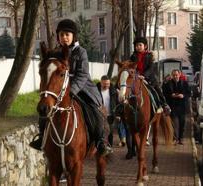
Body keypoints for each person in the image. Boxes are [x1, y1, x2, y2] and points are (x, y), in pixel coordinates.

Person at [30, 19, 113, 156]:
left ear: (74, 36)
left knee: (95, 111)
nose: (64, 37)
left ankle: (101, 141)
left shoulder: (81, 52)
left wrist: (71, 91)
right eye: (62, 35)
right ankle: (41, 138)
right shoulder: (55, 53)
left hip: (82, 88)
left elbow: (82, 75)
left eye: (67, 34)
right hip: (60, 90)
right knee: (45, 109)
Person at [130, 37, 171, 114]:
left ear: (145, 46)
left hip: (148, 78)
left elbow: (151, 68)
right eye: (136, 46)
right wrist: (135, 74)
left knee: (157, 89)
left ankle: (164, 104)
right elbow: (131, 67)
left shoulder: (149, 55)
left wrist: (144, 75)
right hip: (136, 78)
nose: (138, 47)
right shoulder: (133, 56)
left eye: (140, 45)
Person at [164, 69, 191, 145]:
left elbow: (189, 93)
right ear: (172, 76)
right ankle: (175, 139)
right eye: (174, 75)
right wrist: (171, 95)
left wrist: (183, 95)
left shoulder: (184, 83)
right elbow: (165, 94)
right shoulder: (168, 84)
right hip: (173, 106)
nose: (175, 76)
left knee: (182, 124)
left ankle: (181, 138)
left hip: (182, 106)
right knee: (174, 124)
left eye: (176, 75)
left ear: (179, 75)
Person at [96, 75, 118, 147]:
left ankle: (110, 147)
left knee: (110, 133)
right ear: (101, 82)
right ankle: (100, 147)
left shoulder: (113, 90)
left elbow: (117, 103)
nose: (106, 86)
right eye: (104, 84)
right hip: (100, 115)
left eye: (108, 84)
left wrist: (117, 114)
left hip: (110, 115)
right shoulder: (96, 90)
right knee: (100, 132)